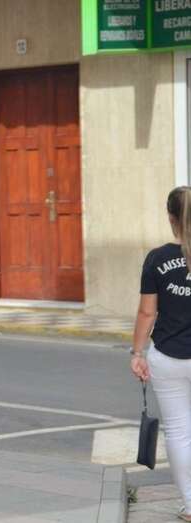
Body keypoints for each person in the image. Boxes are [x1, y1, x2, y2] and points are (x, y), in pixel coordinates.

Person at [131, 186, 191, 522]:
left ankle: (190, 505)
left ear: (171, 219)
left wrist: (137, 352)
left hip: (168, 357)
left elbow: (146, 314)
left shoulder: (157, 259)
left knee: (180, 432)